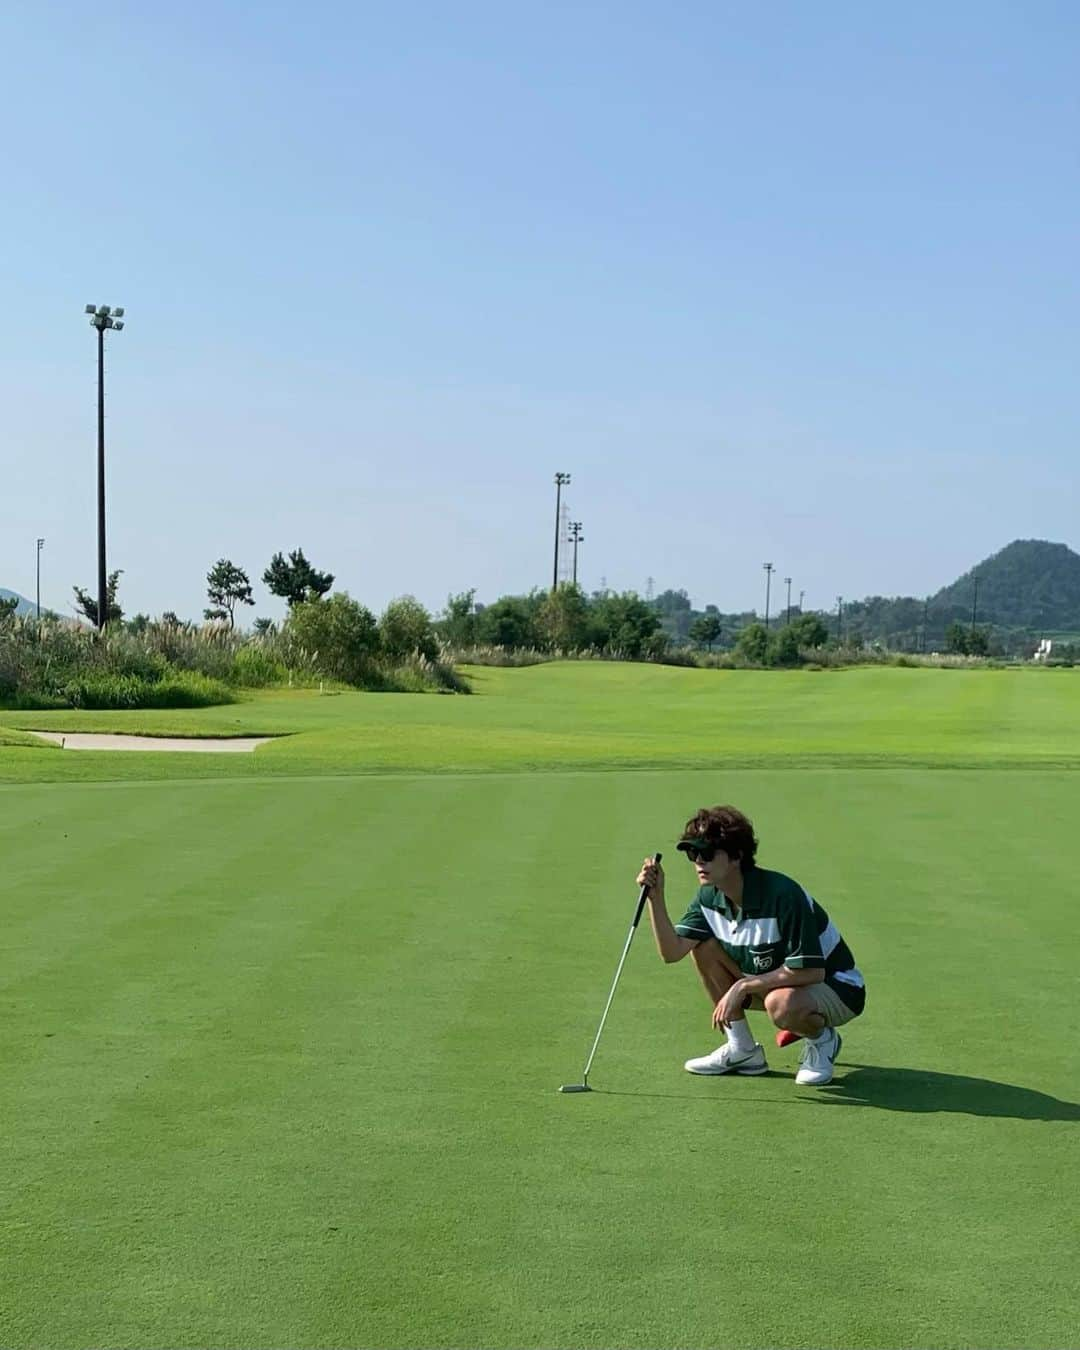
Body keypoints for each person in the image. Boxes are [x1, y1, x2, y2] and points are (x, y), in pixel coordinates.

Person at [637, 804, 865, 1086]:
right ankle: (743, 1050)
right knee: (704, 947)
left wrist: (743, 986)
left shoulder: (782, 895)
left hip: (839, 988)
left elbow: (812, 972)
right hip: (780, 983)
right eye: (692, 854)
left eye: (706, 853)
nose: (698, 861)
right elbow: (672, 953)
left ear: (736, 856)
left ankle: (822, 1040)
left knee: (780, 1004)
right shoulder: (709, 898)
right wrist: (656, 898)